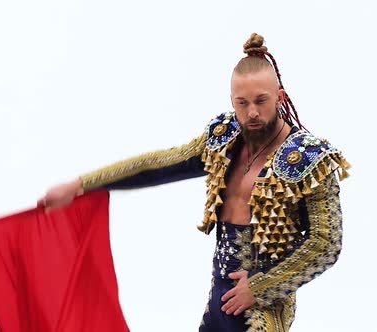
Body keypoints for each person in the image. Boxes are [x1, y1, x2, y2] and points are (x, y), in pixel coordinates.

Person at [40, 33, 351, 332]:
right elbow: (160, 165)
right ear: (232, 101)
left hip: (264, 307)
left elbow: (325, 244)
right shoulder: (224, 138)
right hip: (219, 294)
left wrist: (261, 286)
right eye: (242, 103)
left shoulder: (310, 158)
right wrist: (82, 184)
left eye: (261, 101)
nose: (252, 112)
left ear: (280, 97)